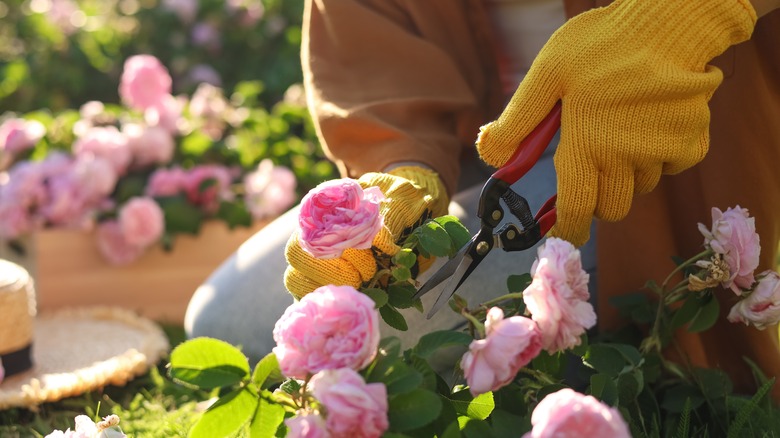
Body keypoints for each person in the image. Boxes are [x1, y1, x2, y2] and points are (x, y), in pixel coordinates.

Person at [186, 0, 780, 399]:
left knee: (366, 343)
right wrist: (406, 170)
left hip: (655, 154)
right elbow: (369, 37)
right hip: (486, 147)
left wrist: (686, 15)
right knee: (229, 320)